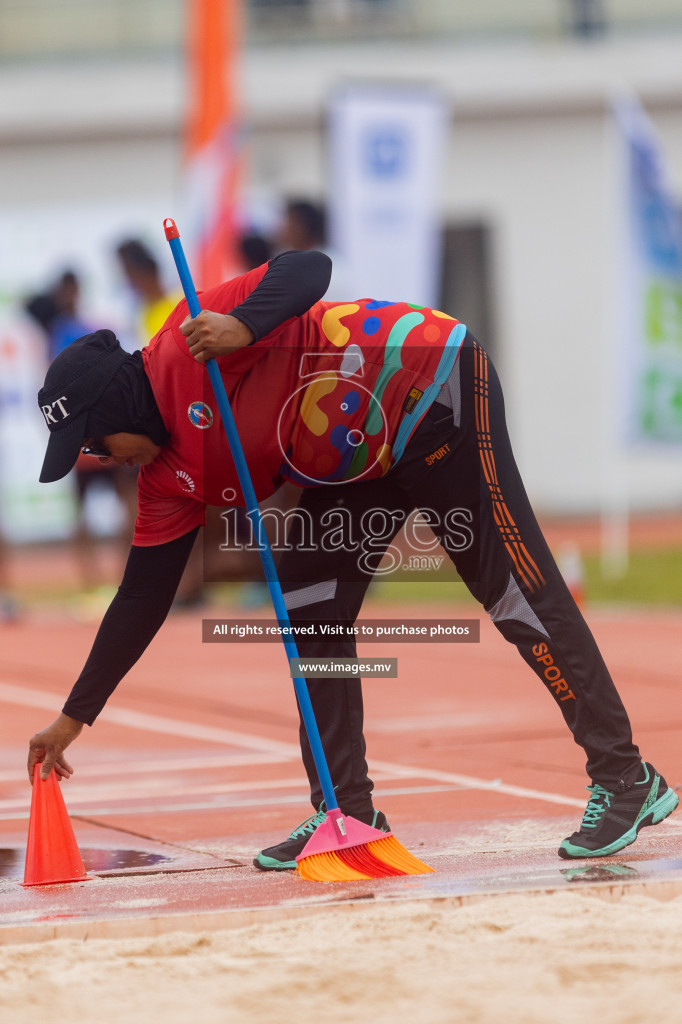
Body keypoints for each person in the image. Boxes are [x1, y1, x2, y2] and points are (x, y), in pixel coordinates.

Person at [27, 249, 677, 869]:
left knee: (510, 587)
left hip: (428, 384)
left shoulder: (187, 343)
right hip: (356, 456)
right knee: (309, 601)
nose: (102, 459)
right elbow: (141, 599)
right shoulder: (166, 480)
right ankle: (345, 808)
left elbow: (308, 269)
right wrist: (73, 717)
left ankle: (625, 777)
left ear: (115, 405)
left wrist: (241, 326)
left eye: (96, 443)